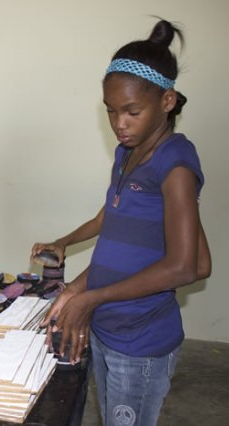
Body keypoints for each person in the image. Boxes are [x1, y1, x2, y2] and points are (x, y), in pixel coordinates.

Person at [32, 19, 211, 425]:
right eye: (111, 112)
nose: (119, 123)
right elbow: (119, 242)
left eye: (132, 111)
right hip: (108, 327)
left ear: (168, 101)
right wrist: (78, 288)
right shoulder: (125, 154)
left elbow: (188, 266)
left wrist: (91, 299)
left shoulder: (175, 163)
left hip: (141, 340)